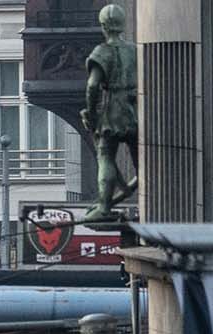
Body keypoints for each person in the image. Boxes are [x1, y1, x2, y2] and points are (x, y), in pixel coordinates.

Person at [80, 4, 138, 221]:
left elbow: (92, 86)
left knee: (105, 156)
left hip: (113, 108)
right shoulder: (134, 49)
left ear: (103, 25)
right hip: (134, 108)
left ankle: (104, 206)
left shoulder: (102, 52)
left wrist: (91, 113)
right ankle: (125, 192)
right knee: (141, 161)